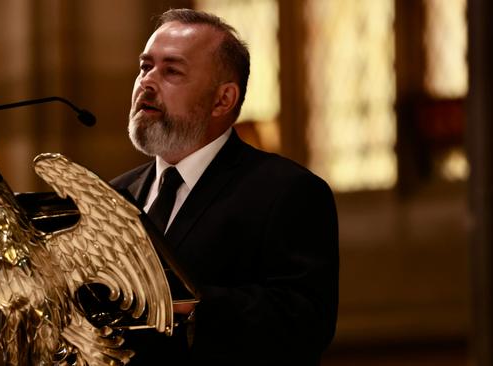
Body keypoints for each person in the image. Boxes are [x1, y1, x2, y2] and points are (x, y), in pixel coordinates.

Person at [110, 8, 338, 366]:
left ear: (223, 99)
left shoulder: (286, 191)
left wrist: (190, 305)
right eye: (145, 67)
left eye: (172, 71)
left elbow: (304, 323)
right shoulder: (113, 197)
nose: (147, 83)